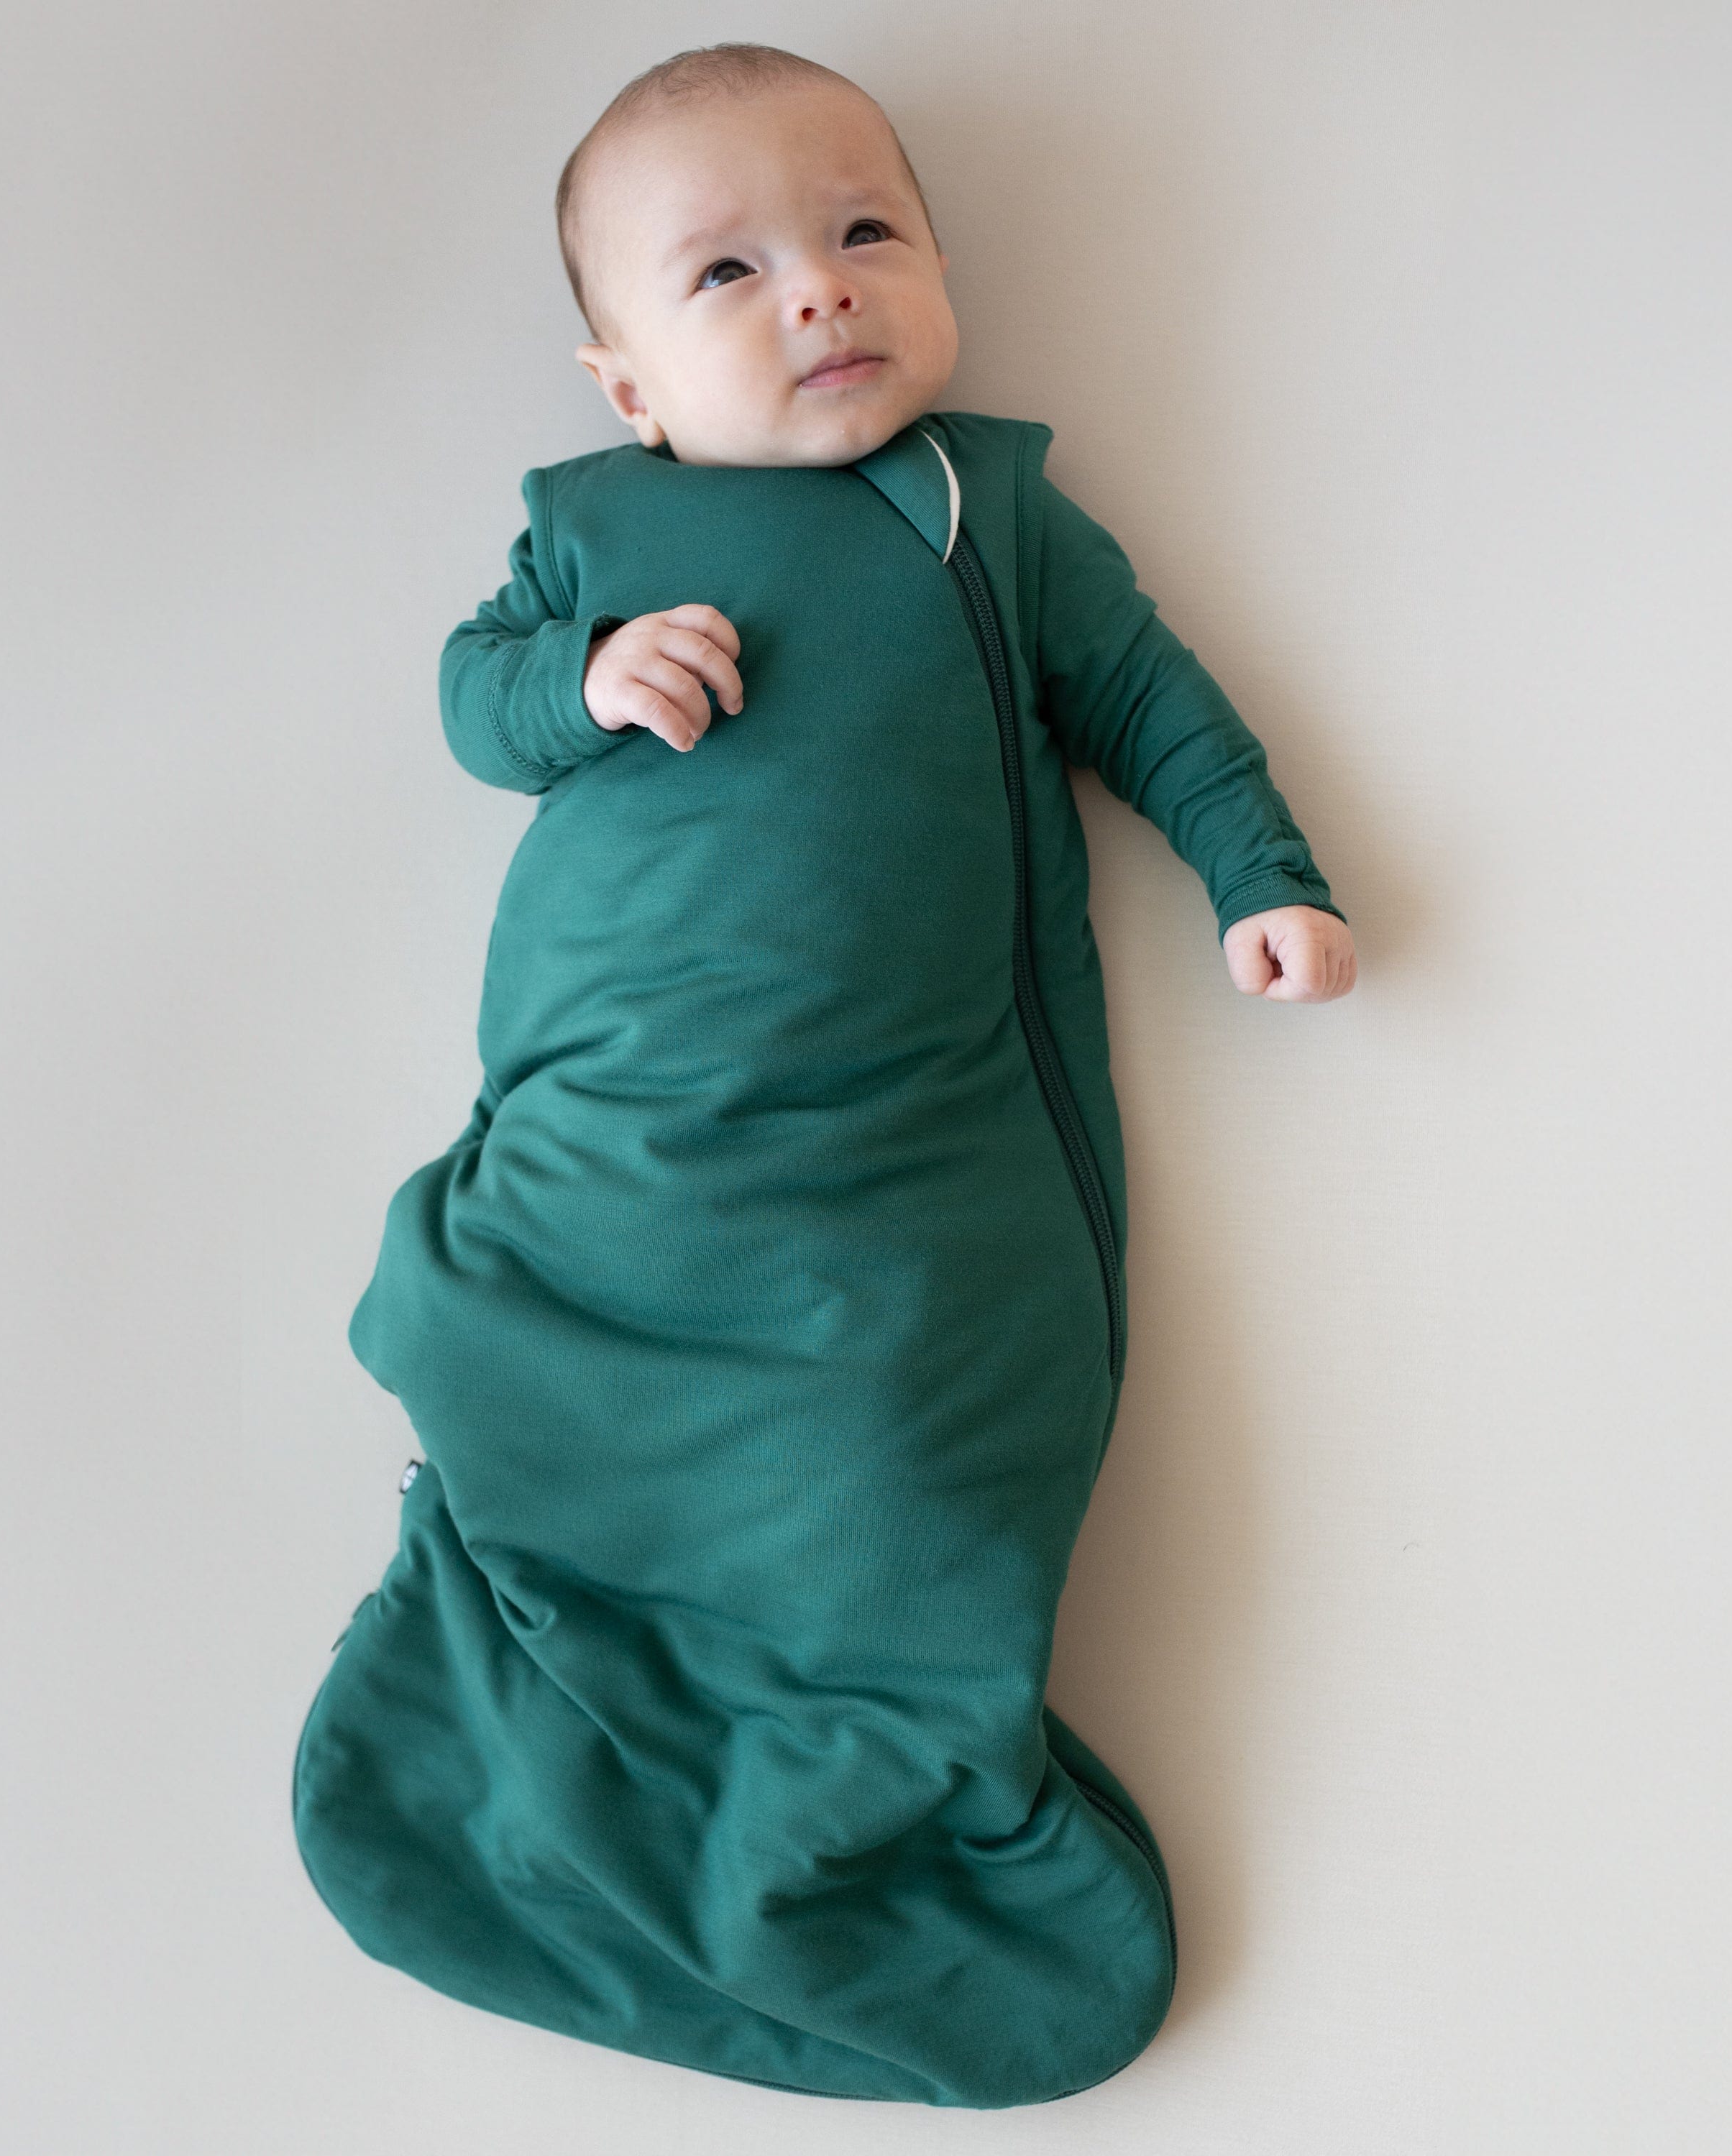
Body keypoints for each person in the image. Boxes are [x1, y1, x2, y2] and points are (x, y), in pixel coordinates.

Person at [292, 42, 1355, 2108]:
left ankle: (848, 1792)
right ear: (626, 389)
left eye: (869, 233)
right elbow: (467, 698)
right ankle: (520, 1672)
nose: (821, 292)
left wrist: (1264, 875)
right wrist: (576, 685)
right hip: (634, 1141)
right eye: (730, 272)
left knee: (902, 1440)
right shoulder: (602, 539)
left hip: (898, 1169)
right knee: (535, 1336)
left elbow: (1154, 701)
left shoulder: (994, 514)